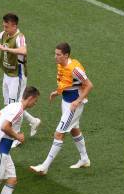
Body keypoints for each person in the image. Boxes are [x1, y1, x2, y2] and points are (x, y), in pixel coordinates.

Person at [29, 43, 92, 175]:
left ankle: (44, 166)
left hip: (73, 105)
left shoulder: (75, 69)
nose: (55, 57)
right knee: (74, 130)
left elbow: (89, 85)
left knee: (59, 133)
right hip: (66, 101)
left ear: (66, 55)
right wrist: (57, 92)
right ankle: (84, 159)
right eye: (55, 54)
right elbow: (66, 82)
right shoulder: (61, 65)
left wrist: (78, 101)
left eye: (58, 54)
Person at [0, 13, 41, 141]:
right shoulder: (5, 34)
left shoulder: (20, 37)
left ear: (14, 26)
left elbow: (24, 51)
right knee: (9, 104)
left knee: (16, 105)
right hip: (7, 74)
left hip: (17, 76)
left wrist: (6, 49)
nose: (4, 28)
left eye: (6, 26)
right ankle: (33, 121)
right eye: (4, 26)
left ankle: (16, 136)